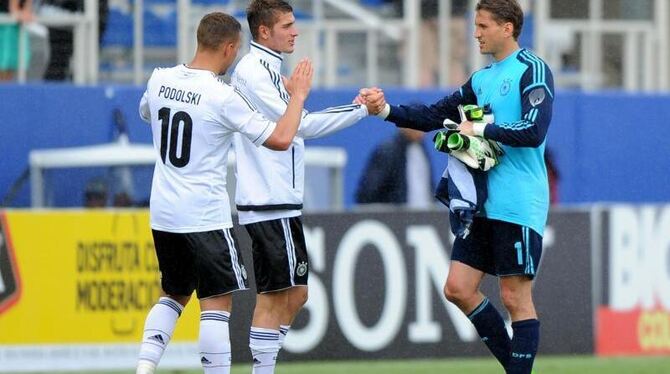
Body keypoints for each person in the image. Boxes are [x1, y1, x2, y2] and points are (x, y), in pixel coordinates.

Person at [362, 1, 553, 372]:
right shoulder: (481, 79)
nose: (476, 32)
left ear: (508, 27)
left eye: (483, 25)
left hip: (518, 202)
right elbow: (434, 115)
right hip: (483, 204)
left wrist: (478, 129)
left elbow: (534, 129)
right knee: (458, 288)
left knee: (515, 298)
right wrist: (385, 110)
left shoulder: (532, 69)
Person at [135, 11, 313, 374]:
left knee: (173, 294)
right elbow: (281, 139)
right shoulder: (221, 96)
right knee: (216, 304)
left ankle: (144, 367)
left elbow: (146, 113)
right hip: (204, 215)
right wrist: (298, 96)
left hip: (164, 212)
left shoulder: (159, 79)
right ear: (230, 48)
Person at [230, 1, 384, 373]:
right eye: (286, 25)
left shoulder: (267, 69)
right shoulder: (253, 71)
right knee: (273, 297)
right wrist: (360, 110)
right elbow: (302, 126)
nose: (295, 31)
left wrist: (304, 97)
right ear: (264, 32)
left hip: (280, 202)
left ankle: (264, 365)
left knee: (297, 294)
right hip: (268, 200)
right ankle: (261, 370)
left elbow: (295, 121)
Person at [355, 127, 433, 208]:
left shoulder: (422, 150)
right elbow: (367, 194)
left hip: (424, 218)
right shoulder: (388, 151)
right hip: (397, 218)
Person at [0, 0, 32, 81]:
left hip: (16, 29)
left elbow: (27, 10)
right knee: (3, 67)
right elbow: (13, 10)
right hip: (4, 27)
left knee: (10, 69)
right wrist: (17, 13)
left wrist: (25, 12)